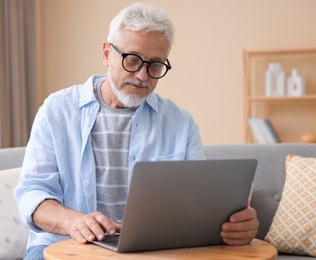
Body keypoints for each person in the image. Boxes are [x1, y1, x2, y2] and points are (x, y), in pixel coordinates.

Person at [14, 2, 259, 259]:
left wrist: (237, 226)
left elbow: (199, 206)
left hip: (149, 251)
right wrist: (73, 221)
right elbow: (32, 194)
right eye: (132, 60)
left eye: (154, 65)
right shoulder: (57, 110)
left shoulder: (180, 123)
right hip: (62, 246)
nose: (142, 76)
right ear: (107, 54)